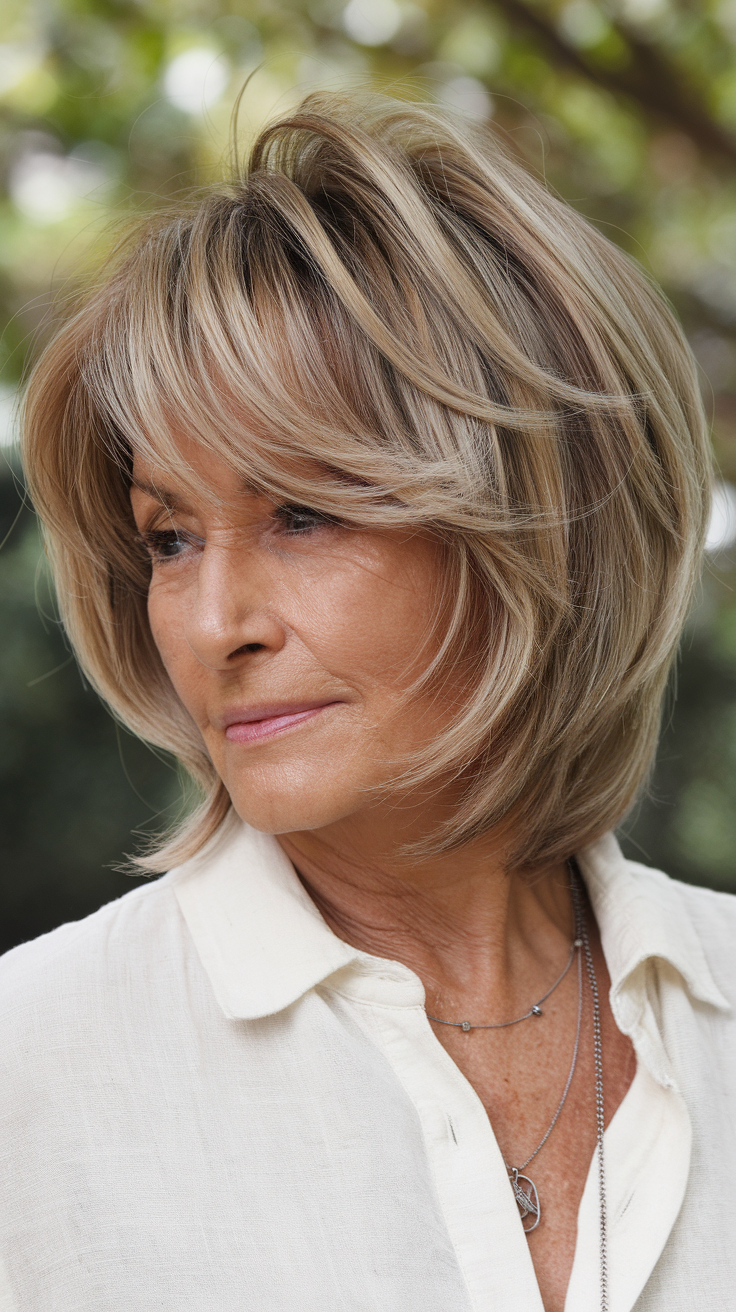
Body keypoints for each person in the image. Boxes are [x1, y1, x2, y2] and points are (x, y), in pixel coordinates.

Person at [2, 90, 734, 1312]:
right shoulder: (32, 1068)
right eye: (169, 538)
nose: (214, 622)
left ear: (545, 524)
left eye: (303, 511)